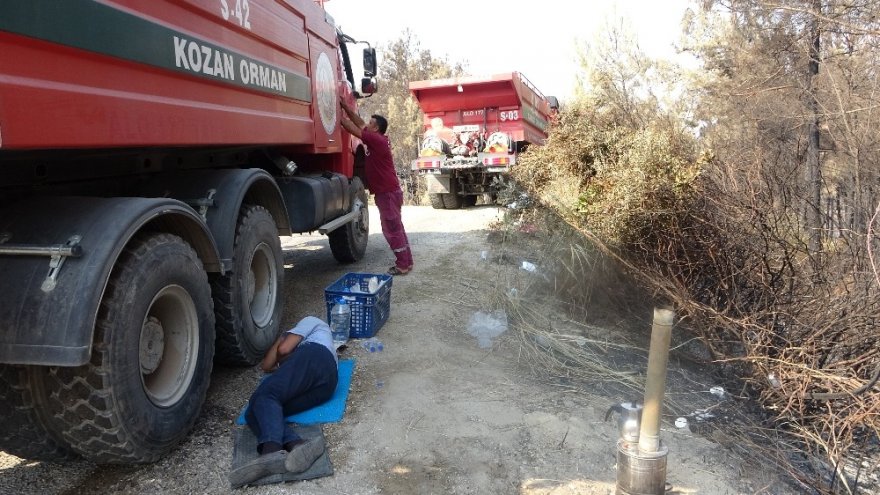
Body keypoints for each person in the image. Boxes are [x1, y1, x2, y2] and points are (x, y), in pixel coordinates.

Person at [229, 316, 339, 488]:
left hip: (315, 357)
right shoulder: (297, 356)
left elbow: (285, 349)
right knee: (255, 411)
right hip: (325, 386)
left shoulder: (312, 321)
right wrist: (282, 338)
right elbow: (267, 366)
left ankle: (271, 451)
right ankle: (297, 446)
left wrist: (284, 339)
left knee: (265, 394)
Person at [339, 96, 414, 275]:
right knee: (397, 226)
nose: (367, 124)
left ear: (377, 128)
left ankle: (402, 265)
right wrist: (345, 107)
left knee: (391, 229)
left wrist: (335, 116)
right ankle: (407, 262)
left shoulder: (376, 140)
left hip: (387, 194)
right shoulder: (378, 138)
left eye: (371, 123)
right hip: (390, 192)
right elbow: (359, 123)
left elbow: (352, 128)